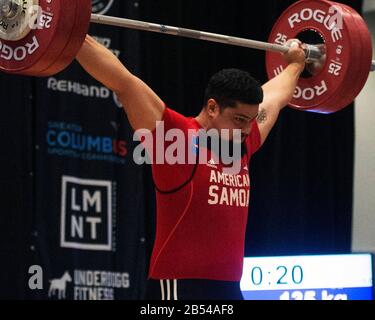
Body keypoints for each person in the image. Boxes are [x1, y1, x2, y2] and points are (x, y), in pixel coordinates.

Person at [76, 36, 306, 300]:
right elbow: (124, 83)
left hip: (228, 289)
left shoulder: (243, 140)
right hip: (178, 288)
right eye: (239, 120)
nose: (246, 129)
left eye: (250, 121)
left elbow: (276, 97)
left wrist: (296, 64)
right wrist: (70, 30)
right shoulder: (176, 139)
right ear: (212, 108)